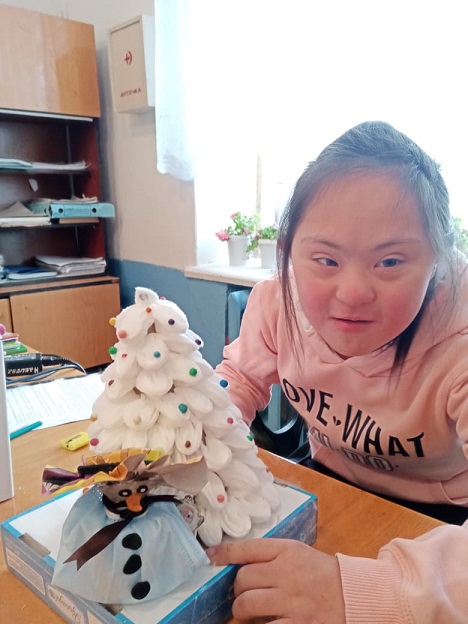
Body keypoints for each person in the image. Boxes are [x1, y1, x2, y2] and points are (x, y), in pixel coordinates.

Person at [208, 120, 468, 623]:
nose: (352, 294)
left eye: (389, 262)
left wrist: (368, 594)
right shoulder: (276, 302)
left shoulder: (459, 340)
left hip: (442, 524)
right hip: (327, 487)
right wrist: (194, 433)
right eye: (325, 260)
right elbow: (238, 381)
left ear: (436, 257)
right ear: (290, 249)